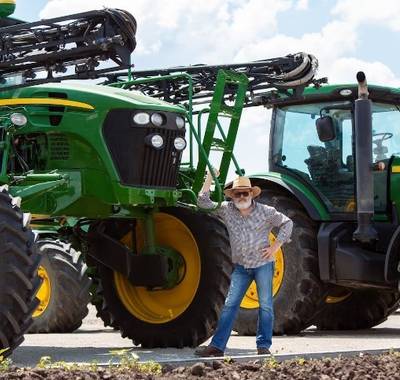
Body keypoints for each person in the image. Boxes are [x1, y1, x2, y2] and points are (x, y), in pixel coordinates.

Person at [194, 171, 293, 357]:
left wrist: (275, 246)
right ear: (232, 196)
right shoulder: (226, 209)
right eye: (237, 193)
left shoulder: (266, 212)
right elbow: (202, 203)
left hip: (263, 265)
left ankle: (263, 346)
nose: (241, 197)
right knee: (230, 305)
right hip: (241, 267)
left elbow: (288, 223)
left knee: (265, 306)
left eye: (245, 193)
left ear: (251, 194)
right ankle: (217, 347)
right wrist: (209, 178)